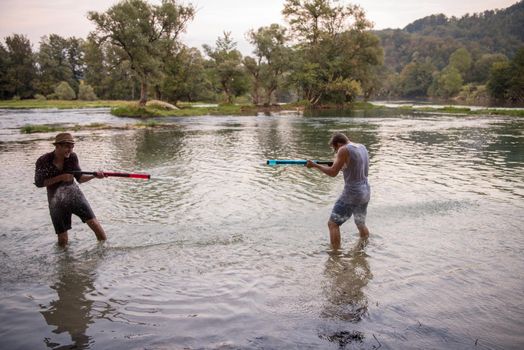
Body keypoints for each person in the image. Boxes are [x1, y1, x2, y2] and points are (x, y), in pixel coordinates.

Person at [34, 132, 107, 247]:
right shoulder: (43, 160)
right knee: (62, 240)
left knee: (96, 227)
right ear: (57, 146)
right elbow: (39, 183)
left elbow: (80, 179)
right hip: (55, 201)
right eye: (67, 147)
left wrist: (95, 176)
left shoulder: (72, 157)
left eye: (72, 147)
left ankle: (104, 254)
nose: (70, 150)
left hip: (75, 195)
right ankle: (64, 263)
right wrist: (61, 177)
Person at [307, 132, 370, 250]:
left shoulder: (343, 149)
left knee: (333, 224)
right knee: (360, 224)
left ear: (339, 144)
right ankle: (363, 249)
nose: (336, 152)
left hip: (352, 193)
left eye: (335, 149)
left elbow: (332, 173)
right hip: (365, 191)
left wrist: (315, 166)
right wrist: (338, 164)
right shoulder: (362, 147)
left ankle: (335, 256)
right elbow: (355, 167)